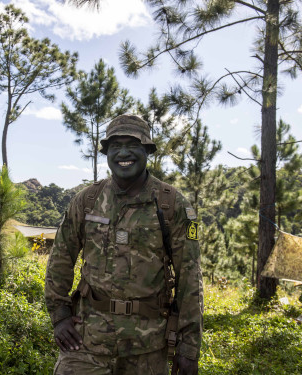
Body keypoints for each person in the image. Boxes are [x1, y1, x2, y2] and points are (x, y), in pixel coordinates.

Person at [45, 114, 203, 375]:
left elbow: (190, 280)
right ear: (107, 152)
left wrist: (188, 349)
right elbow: (60, 260)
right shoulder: (87, 200)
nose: (124, 153)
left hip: (148, 348)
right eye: (115, 146)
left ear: (147, 150)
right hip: (86, 343)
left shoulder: (171, 204)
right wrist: (60, 316)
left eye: (133, 145)